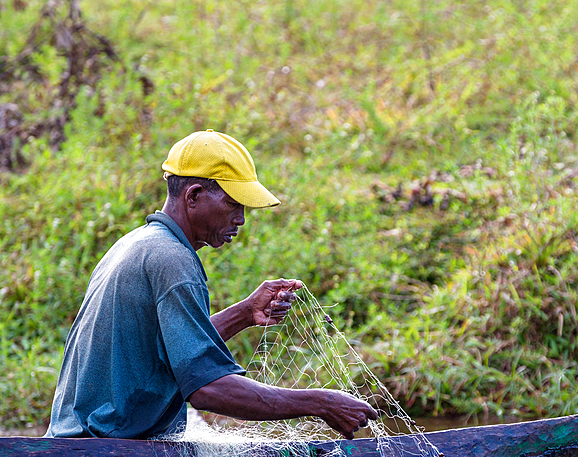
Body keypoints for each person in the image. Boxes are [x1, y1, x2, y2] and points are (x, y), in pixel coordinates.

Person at [45, 129, 377, 440]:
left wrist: (246, 313)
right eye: (233, 205)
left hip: (76, 443)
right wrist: (320, 403)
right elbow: (207, 390)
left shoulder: (139, 243)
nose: (241, 219)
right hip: (104, 453)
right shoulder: (173, 261)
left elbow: (168, 355)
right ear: (194, 196)